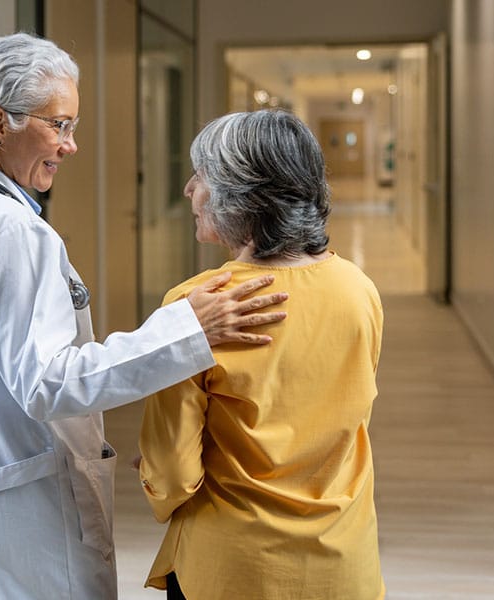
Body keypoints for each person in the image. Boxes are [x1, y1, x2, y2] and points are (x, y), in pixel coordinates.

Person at [0, 34, 288, 599]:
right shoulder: (7, 230)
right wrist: (188, 328)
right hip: (17, 517)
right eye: (59, 125)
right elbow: (47, 383)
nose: (71, 145)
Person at [136, 110, 386, 600]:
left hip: (230, 567)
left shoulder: (198, 306)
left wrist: (154, 477)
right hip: (342, 564)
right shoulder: (358, 290)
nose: (189, 189)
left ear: (240, 196)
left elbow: (174, 474)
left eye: (202, 175)